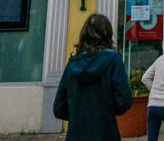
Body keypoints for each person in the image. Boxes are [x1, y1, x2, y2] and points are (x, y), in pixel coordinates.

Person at [53, 13, 132, 141]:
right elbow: (124, 101)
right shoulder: (113, 61)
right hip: (105, 132)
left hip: (76, 134)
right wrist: (105, 111)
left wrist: (78, 115)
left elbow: (59, 108)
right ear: (108, 34)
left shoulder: (72, 64)